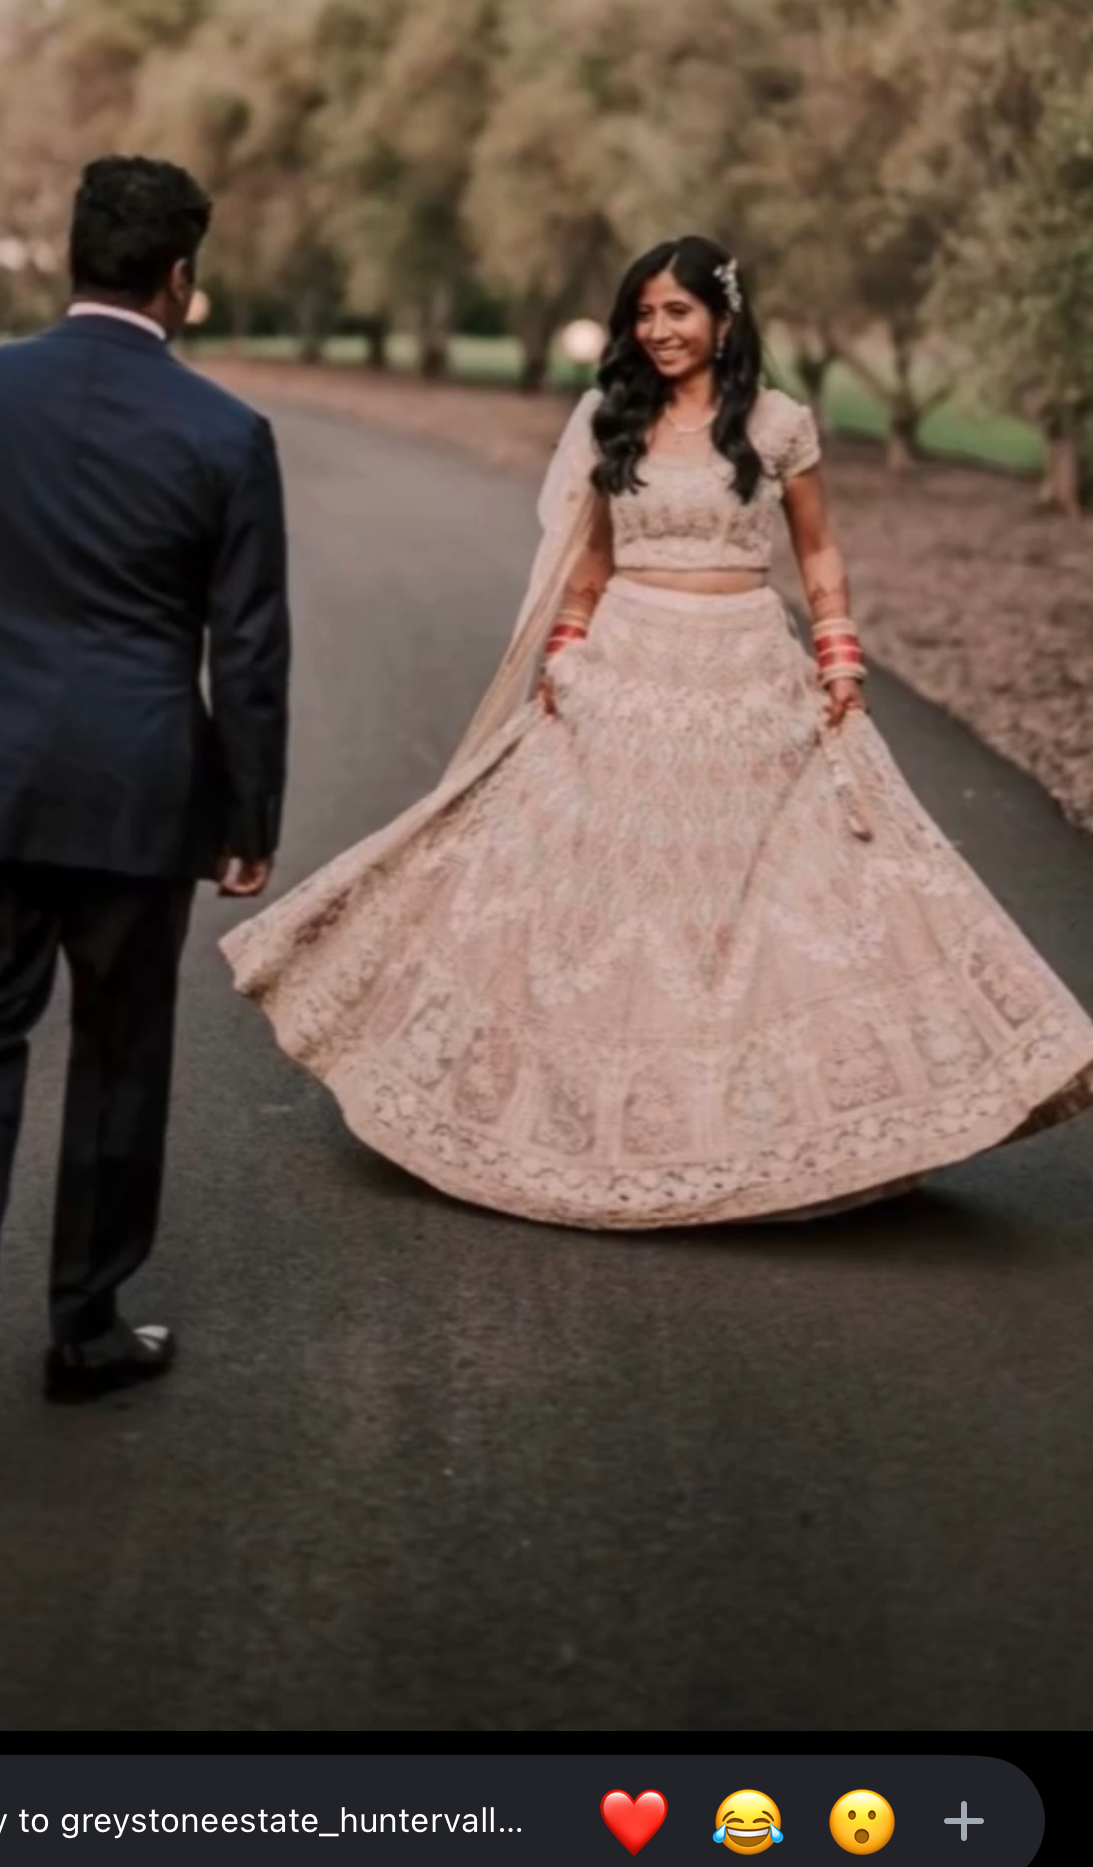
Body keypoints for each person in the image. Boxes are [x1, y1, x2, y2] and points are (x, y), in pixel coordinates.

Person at [220, 233, 1093, 1228]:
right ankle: (581, 1119)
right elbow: (587, 564)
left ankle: (772, 1135)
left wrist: (841, 653)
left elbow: (819, 552)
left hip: (747, 674)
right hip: (624, 674)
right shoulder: (613, 422)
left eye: (677, 311)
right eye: (644, 314)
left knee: (760, 897)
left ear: (723, 316)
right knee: (604, 897)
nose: (659, 330)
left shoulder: (776, 425)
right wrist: (567, 653)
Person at [0, 157, 290, 1457]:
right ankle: (86, 1325)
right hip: (140, 786)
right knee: (118, 1048)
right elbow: (250, 649)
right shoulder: (227, 435)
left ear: (69, 262)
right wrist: (249, 813)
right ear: (179, 278)